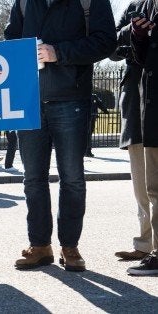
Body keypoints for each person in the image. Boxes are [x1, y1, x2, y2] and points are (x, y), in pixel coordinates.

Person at [5, 0, 116, 272]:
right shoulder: (23, 2)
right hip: (29, 100)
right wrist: (18, 51)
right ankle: (40, 246)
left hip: (71, 99)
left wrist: (59, 53)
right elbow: (11, 39)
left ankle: (70, 247)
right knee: (32, 179)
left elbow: (106, 42)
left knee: (73, 178)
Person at [110, 0, 152, 263]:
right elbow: (111, 47)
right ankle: (146, 243)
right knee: (141, 184)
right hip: (136, 105)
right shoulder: (135, 7)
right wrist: (132, 31)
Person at [128, 0, 158, 276]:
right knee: (153, 188)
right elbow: (142, 59)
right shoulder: (143, 6)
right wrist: (139, 35)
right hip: (150, 108)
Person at [84, 93, 110, 157]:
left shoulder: (93, 96)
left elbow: (100, 104)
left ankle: (87, 151)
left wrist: (105, 110)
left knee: (88, 133)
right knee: (88, 133)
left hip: (92, 116)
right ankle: (87, 151)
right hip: (86, 117)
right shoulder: (83, 95)